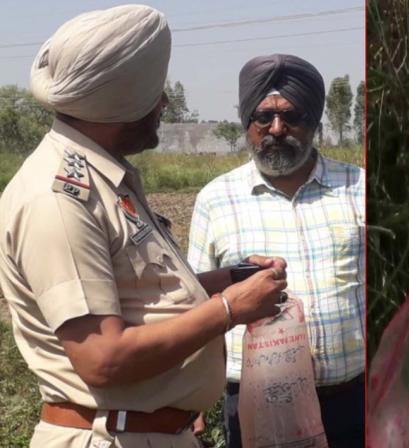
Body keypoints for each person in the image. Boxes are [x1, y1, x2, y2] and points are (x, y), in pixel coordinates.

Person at [0, 5, 289, 447]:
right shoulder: (58, 199)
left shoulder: (105, 178)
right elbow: (103, 359)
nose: (164, 103)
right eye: (156, 92)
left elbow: (139, 293)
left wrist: (228, 280)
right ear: (123, 99)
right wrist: (228, 309)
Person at [188, 54, 365, 447]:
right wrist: (192, 399)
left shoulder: (359, 187)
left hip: (354, 403)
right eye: (263, 117)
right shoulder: (216, 199)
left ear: (315, 123)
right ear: (247, 123)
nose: (277, 129)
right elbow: (196, 302)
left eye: (292, 117)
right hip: (255, 406)